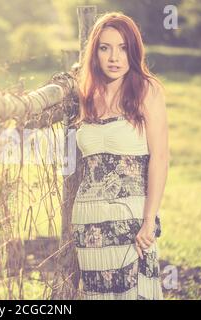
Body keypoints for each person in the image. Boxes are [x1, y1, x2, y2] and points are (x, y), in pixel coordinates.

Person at [71, 12, 169, 300]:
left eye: (122, 47)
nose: (114, 57)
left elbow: (160, 158)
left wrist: (149, 220)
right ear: (95, 53)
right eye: (105, 48)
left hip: (132, 221)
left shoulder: (147, 91)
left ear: (133, 50)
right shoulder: (87, 94)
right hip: (88, 221)